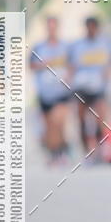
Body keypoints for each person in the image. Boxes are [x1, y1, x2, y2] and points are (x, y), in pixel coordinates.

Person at [69, 16, 111, 158]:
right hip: (81, 85)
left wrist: (108, 71)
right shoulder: (77, 45)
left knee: (100, 117)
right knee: (81, 117)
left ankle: (99, 146)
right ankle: (86, 149)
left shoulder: (106, 43)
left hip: (99, 86)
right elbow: (71, 65)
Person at [30, 16, 71, 164]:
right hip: (45, 92)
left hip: (61, 91)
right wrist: (43, 65)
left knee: (58, 121)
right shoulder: (39, 47)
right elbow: (31, 66)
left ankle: (62, 151)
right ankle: (55, 152)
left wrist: (69, 77)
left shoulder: (66, 46)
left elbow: (73, 65)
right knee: (49, 126)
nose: (52, 29)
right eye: (49, 26)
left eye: (54, 26)